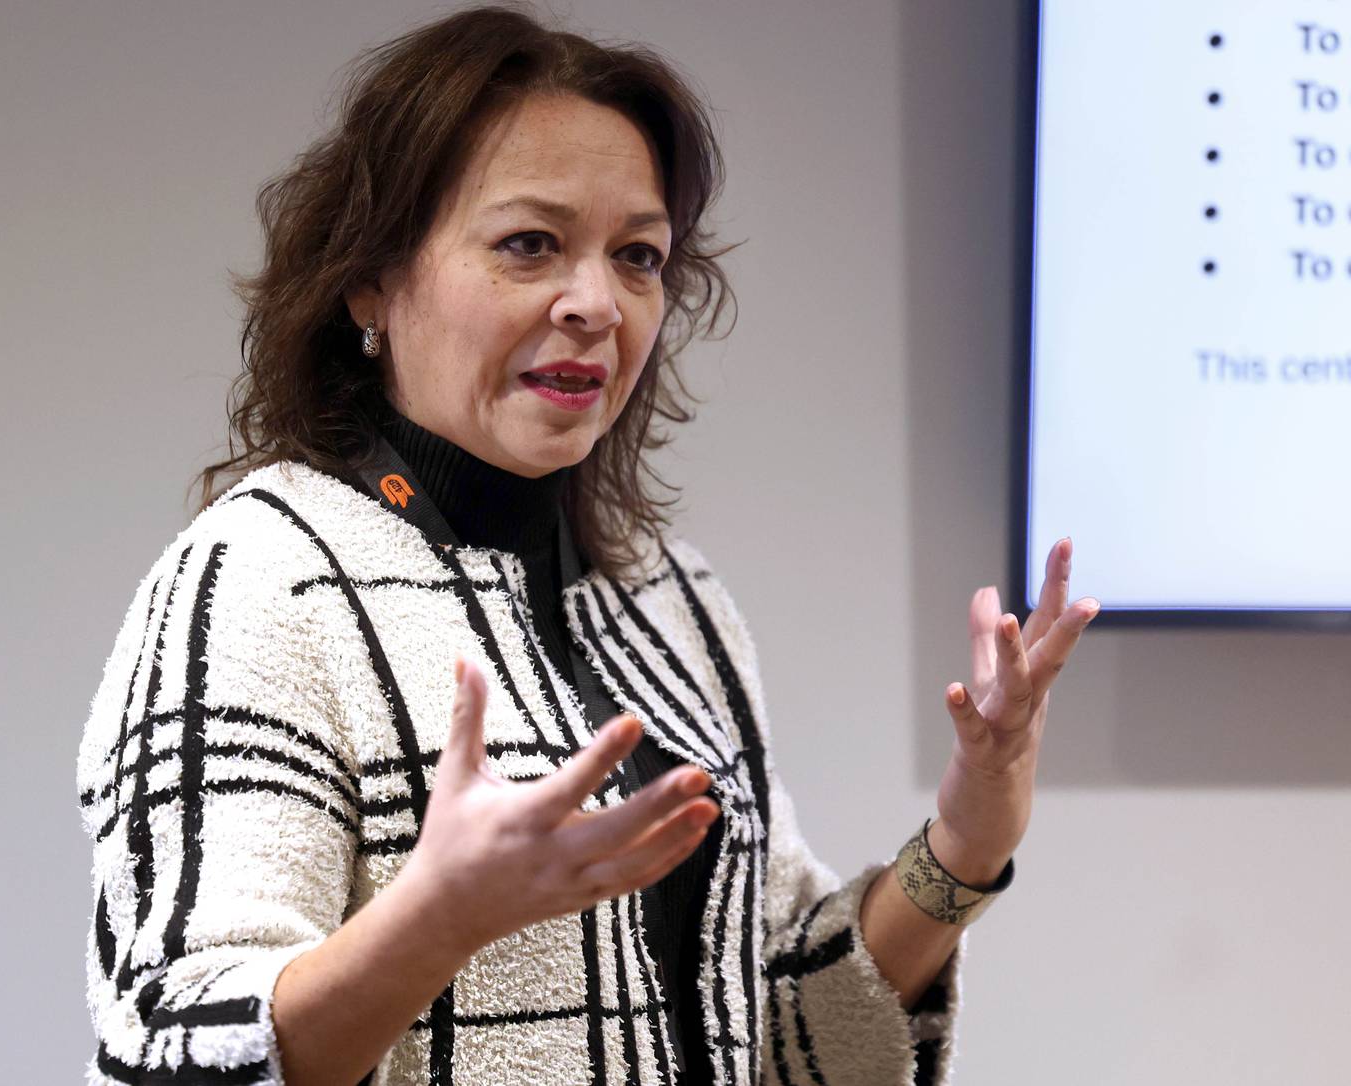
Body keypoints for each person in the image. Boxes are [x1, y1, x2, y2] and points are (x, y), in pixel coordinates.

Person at [75, 6, 1097, 1085]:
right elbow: (175, 1052)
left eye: (639, 257)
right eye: (531, 245)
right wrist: (438, 920)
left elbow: (790, 1030)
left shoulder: (669, 600)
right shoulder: (260, 580)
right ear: (372, 277)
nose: (597, 304)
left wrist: (966, 841)